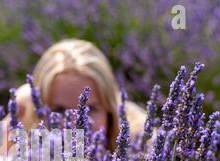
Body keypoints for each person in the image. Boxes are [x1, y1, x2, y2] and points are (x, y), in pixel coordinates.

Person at [15, 39, 146, 149]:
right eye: (60, 111)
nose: (74, 126)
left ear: (109, 111)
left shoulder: (140, 150)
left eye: (89, 110)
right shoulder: (21, 145)